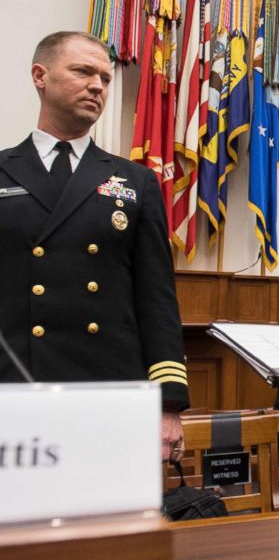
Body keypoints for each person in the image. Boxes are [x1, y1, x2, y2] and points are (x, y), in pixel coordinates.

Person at [0, 31, 188, 461]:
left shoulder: (135, 181)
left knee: (114, 525)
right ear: (40, 76)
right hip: (14, 390)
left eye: (105, 78)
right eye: (83, 71)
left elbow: (157, 299)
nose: (98, 86)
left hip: (109, 391)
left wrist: (168, 403)